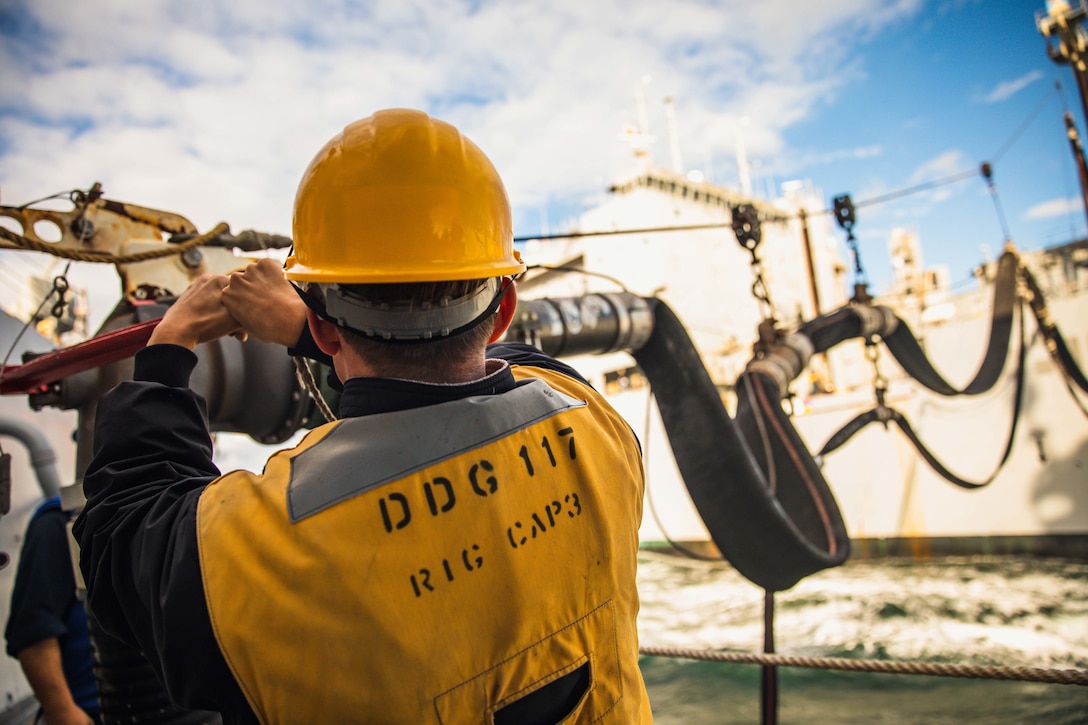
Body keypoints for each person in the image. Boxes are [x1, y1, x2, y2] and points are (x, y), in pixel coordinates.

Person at [73, 108, 651, 723]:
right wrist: (312, 333)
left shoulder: (264, 544)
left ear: (325, 325)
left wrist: (170, 347)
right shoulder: (595, 425)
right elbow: (515, 366)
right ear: (504, 307)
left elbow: (120, 539)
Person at [6, 495, 101, 725]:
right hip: (93, 712)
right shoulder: (59, 522)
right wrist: (61, 709)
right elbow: (34, 632)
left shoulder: (173, 506)